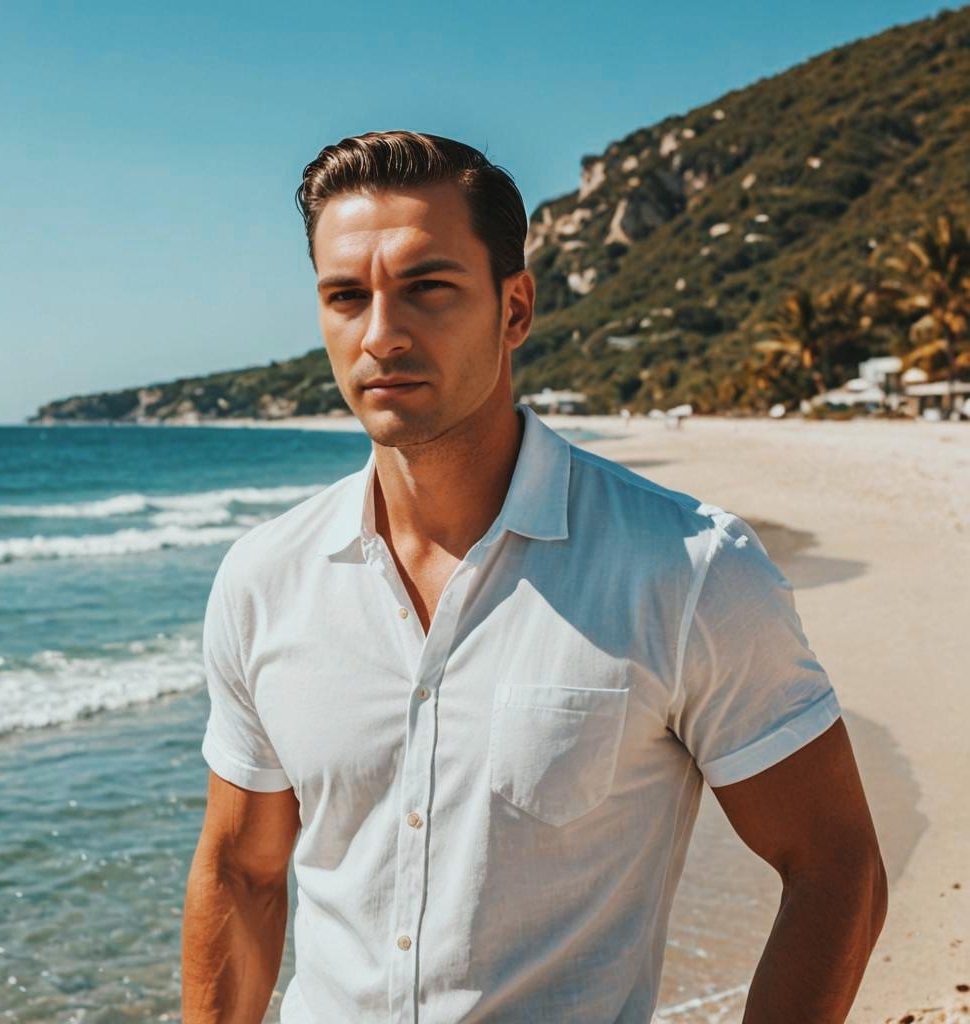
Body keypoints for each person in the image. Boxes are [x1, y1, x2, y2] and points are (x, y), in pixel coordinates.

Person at [181, 131, 887, 1023]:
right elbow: (241, 874)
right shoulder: (263, 579)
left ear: (515, 309)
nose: (381, 334)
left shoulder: (689, 571)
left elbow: (837, 871)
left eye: (428, 288)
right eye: (346, 296)